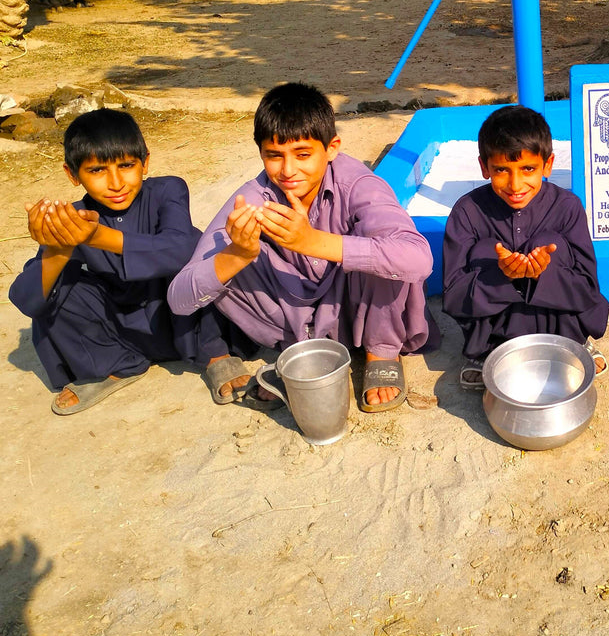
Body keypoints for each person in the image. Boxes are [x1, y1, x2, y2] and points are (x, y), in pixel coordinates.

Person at [168, 82, 438, 412]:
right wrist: (237, 255)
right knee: (223, 261)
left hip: (355, 306)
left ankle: (381, 351)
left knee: (385, 253)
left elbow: (419, 258)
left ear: (332, 148)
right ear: (261, 153)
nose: (288, 170)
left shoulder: (358, 185)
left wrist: (312, 242)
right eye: (274, 156)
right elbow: (179, 299)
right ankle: (301, 352)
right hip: (293, 319)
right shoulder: (253, 199)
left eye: (303, 154)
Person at [9, 109, 233, 415]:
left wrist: (97, 237)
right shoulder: (73, 220)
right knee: (58, 283)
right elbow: (28, 302)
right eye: (97, 170)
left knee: (194, 247)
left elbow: (180, 249)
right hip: (120, 333)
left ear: (145, 162)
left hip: (180, 323)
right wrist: (56, 248)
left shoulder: (167, 190)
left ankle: (215, 355)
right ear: (72, 174)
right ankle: (116, 364)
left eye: (126, 165)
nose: (116, 183)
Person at [442, 105, 609, 389]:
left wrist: (543, 274)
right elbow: (453, 295)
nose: (515, 184)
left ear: (548, 164)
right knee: (486, 252)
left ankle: (573, 342)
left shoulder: (567, 207)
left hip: (559, 324)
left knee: (550, 245)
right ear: (484, 167)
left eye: (528, 169)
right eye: (501, 170)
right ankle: (485, 353)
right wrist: (502, 276)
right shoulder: (467, 211)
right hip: (493, 332)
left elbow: (588, 289)